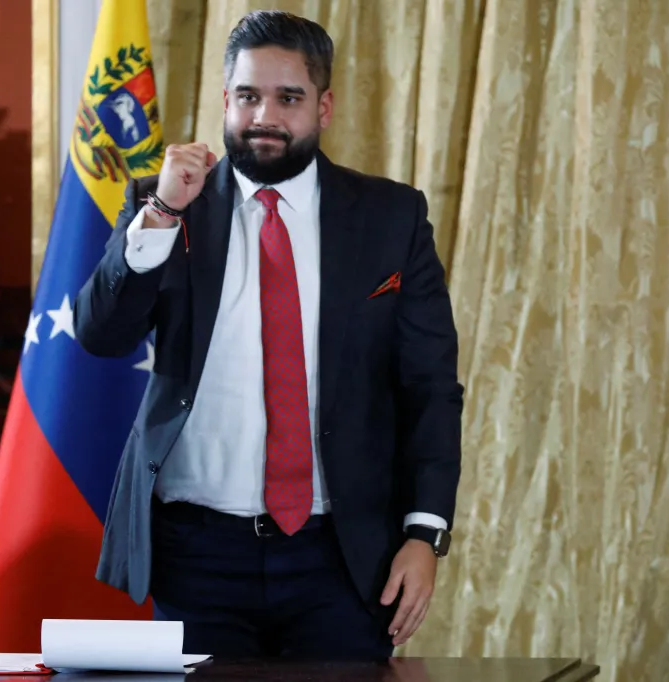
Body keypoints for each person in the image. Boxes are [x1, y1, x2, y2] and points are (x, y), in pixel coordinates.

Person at [73, 9, 463, 661]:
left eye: (289, 98)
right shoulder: (166, 203)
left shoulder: (392, 217)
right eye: (249, 96)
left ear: (324, 106)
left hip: (339, 557)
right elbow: (101, 335)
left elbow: (429, 386)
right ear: (226, 100)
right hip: (196, 555)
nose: (265, 118)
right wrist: (163, 212)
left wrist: (424, 533)